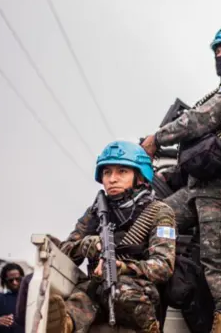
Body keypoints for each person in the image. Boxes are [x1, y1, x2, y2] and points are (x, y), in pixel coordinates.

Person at [141, 26, 221, 333]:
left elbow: (200, 119)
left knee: (219, 262)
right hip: (199, 187)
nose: (220, 56)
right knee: (149, 222)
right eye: (217, 51)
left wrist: (158, 138)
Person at [47, 140, 176, 333]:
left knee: (121, 291)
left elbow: (163, 266)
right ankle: (64, 324)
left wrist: (123, 267)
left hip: (137, 290)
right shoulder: (95, 212)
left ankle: (151, 329)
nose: (112, 179)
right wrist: (84, 245)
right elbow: (63, 253)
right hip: (97, 287)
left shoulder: (158, 211)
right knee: (84, 295)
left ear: (140, 176)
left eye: (122, 171)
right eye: (107, 172)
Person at [0, 263, 25, 333]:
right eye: (11, 280)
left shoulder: (30, 298)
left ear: (22, 278)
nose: (15, 282)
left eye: (17, 279)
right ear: (5, 281)